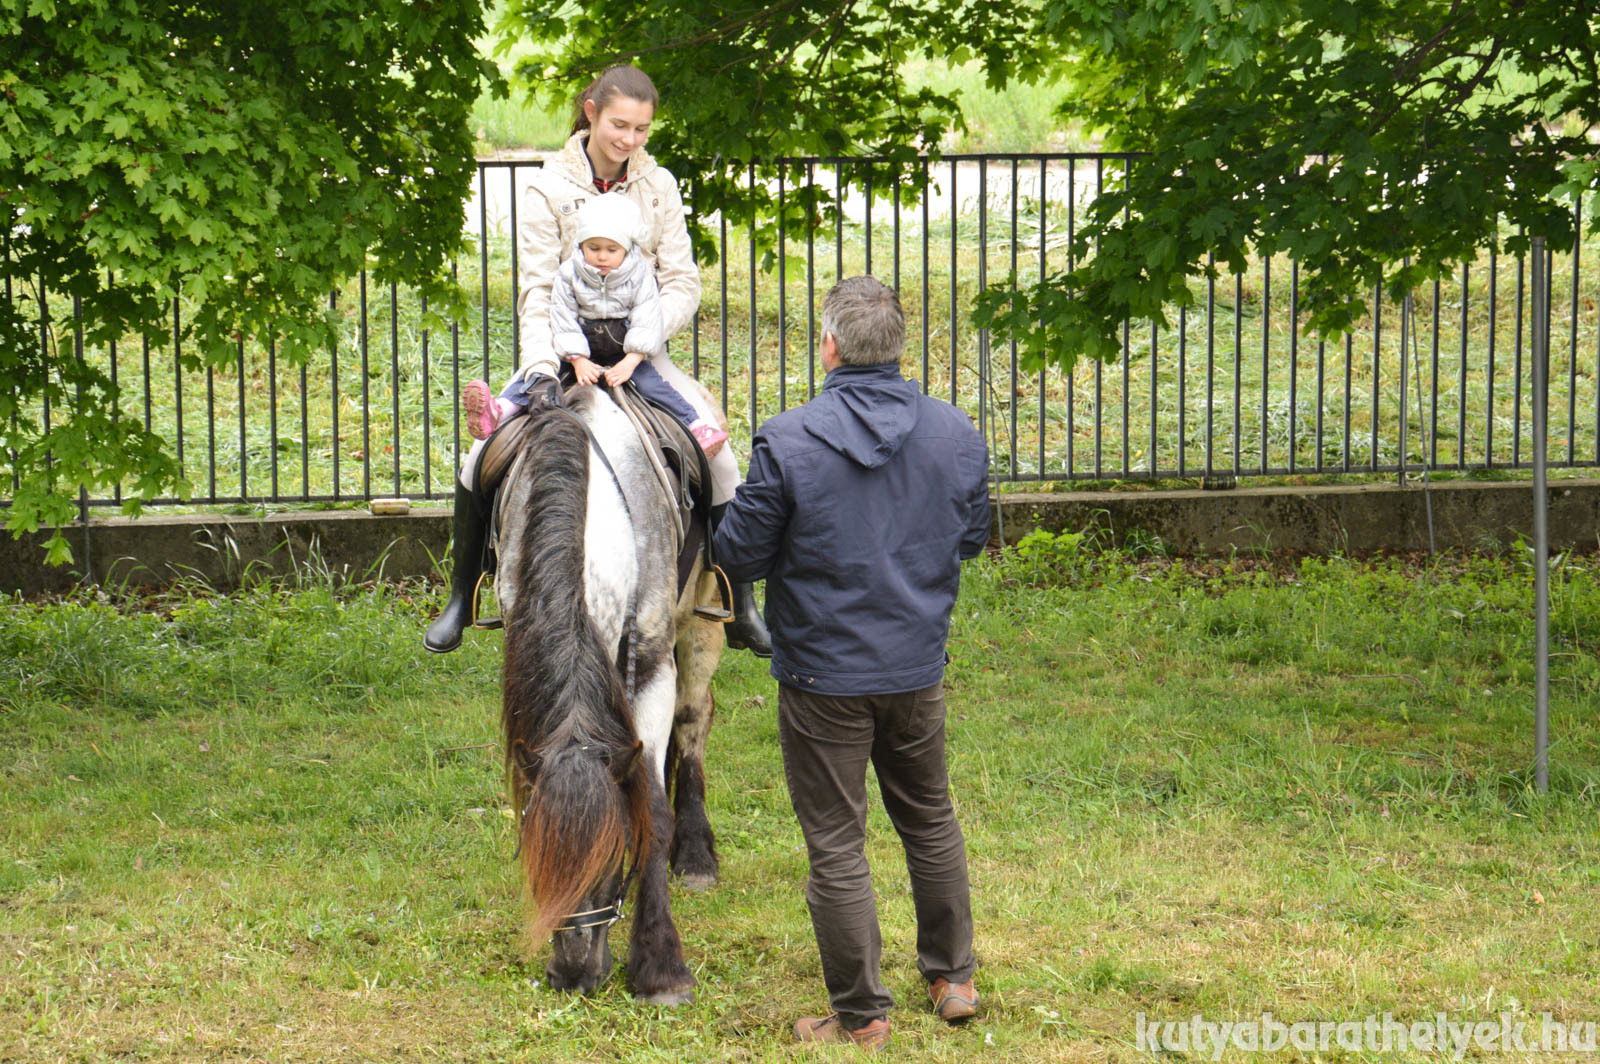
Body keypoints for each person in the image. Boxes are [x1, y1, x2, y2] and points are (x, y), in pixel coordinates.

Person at [712, 276, 991, 1049]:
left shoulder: (789, 437)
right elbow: (971, 537)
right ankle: (953, 977)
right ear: (898, 349)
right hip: (914, 667)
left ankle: (863, 1015)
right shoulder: (955, 432)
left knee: (837, 842)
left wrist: (725, 481)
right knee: (929, 817)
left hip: (824, 677)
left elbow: (737, 553)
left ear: (829, 347)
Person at [424, 64, 769, 656]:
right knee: (479, 455)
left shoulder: (659, 186)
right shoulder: (547, 189)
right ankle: (464, 592)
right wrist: (540, 369)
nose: (629, 140)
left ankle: (739, 602)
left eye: (641, 129)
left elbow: (683, 281)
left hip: (640, 348)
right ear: (591, 111)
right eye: (619, 125)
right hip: (563, 349)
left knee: (723, 460)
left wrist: (641, 342)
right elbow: (535, 290)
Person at [459, 193, 728, 455]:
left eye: (612, 250)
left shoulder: (640, 274)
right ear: (581, 245)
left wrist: (631, 360)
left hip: (623, 348)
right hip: (580, 345)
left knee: (653, 385)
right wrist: (576, 359)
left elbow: (647, 317)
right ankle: (498, 411)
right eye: (593, 248)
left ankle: (696, 425)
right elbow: (562, 316)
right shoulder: (569, 274)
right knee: (542, 379)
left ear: (627, 248)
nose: (602, 257)